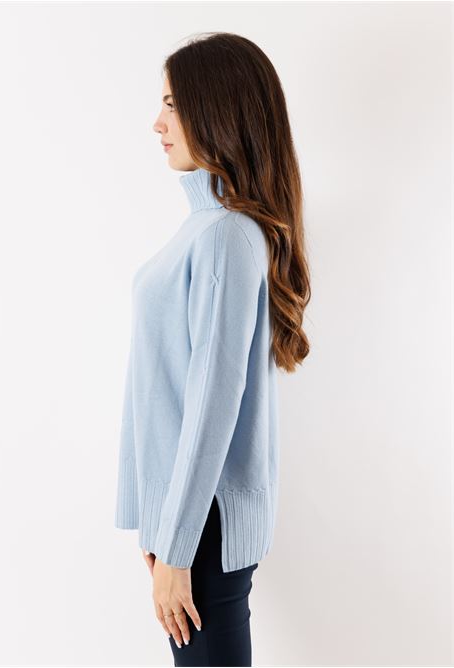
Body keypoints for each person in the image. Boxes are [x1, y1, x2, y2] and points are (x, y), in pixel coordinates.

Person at [115, 31, 311, 667]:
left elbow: (212, 404)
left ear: (215, 111)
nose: (157, 122)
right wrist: (159, 525)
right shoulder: (207, 226)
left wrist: (177, 545)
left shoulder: (226, 235)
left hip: (202, 525)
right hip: (188, 520)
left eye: (172, 104)